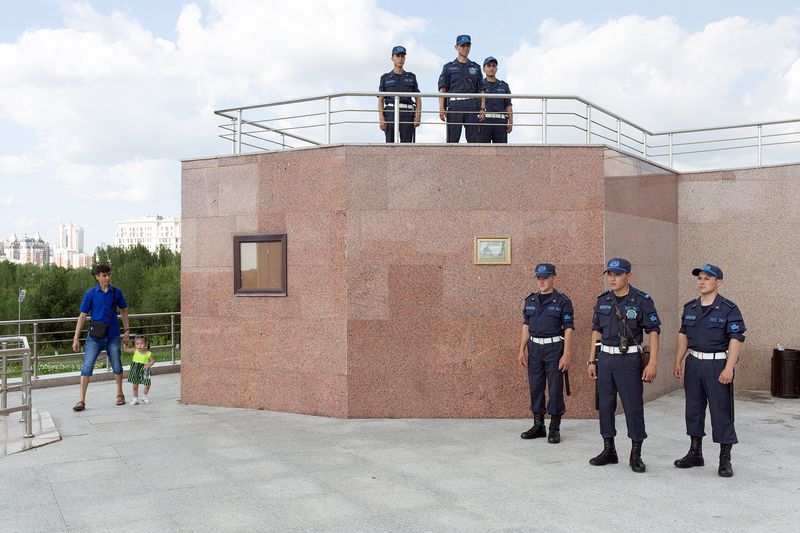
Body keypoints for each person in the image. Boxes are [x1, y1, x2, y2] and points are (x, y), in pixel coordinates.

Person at [586, 258, 660, 473]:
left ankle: (636, 453)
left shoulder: (642, 300)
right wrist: (592, 360)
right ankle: (609, 449)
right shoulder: (603, 300)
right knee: (606, 406)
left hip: (628, 361)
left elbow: (653, 332)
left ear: (628, 275)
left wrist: (652, 362)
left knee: (632, 406)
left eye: (617, 274)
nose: (612, 278)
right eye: (609, 274)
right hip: (605, 360)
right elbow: (596, 331)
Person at [673, 264, 745, 477]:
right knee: (693, 409)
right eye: (700, 278)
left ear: (718, 282)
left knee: (721, 412)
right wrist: (678, 361)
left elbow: (736, 339)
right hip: (694, 363)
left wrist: (729, 368)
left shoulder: (729, 309)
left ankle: (725, 459)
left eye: (707, 278)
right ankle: (695, 453)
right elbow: (683, 335)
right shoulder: (690, 308)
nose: (702, 282)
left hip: (717, 365)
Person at [517, 263, 574, 443]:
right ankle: (538, 425)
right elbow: (526, 326)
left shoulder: (563, 301)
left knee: (555, 389)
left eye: (545, 277)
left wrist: (566, 354)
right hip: (534, 349)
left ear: (553, 278)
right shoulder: (530, 301)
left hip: (554, 349)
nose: (541, 281)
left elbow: (568, 328)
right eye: (539, 278)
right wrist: (521, 350)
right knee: (536, 388)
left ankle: (554, 428)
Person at [71, 263, 129, 411]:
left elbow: (124, 310)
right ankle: (81, 400)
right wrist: (76, 338)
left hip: (113, 336)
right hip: (94, 337)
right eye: (104, 275)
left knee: (117, 364)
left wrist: (127, 330)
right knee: (87, 366)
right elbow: (83, 316)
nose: (108, 278)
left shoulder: (117, 292)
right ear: (97, 277)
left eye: (109, 274)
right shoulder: (90, 294)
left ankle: (120, 394)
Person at [438, 34, 485, 143]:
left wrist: (482, 108)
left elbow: (481, 89)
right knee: (452, 139)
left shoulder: (476, 67)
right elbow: (442, 89)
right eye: (462, 45)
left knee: (473, 140)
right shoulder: (448, 67)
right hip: (455, 105)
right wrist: (441, 108)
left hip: (471, 105)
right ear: (456, 47)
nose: (465, 48)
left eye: (468, 45)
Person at [378, 45, 421, 143]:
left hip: (407, 113)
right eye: (398, 56)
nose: (400, 59)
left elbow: (418, 97)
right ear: (392, 58)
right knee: (390, 144)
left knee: (407, 144)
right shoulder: (385, 78)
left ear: (405, 58)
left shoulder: (411, 77)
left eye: (402, 56)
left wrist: (418, 115)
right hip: (390, 112)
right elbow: (380, 99)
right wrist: (381, 117)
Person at [477, 57, 512, 143]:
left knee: (501, 152)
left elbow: (508, 105)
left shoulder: (504, 86)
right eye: (489, 66)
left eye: (494, 66)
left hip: (500, 122)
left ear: (496, 69)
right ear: (484, 69)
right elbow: (475, 105)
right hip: (484, 122)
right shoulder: (479, 85)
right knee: (483, 152)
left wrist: (511, 122)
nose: (491, 68)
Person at [124, 335, 155, 405]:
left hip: (145, 369)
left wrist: (148, 365)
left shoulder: (148, 353)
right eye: (137, 344)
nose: (139, 346)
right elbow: (125, 350)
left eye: (141, 344)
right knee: (135, 385)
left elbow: (152, 361)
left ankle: (144, 396)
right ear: (135, 345)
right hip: (135, 368)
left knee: (147, 383)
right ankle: (135, 398)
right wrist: (124, 343)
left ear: (146, 344)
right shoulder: (135, 351)